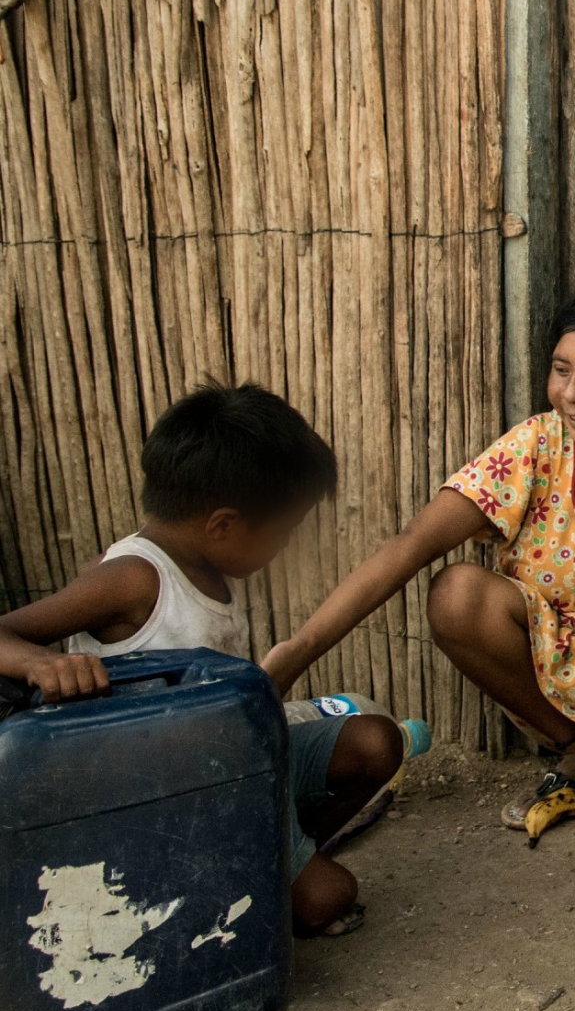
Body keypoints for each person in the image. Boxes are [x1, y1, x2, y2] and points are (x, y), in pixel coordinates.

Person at [264, 286, 575, 828]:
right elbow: (413, 545)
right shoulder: (539, 445)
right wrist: (298, 651)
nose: (571, 393)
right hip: (562, 688)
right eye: (561, 369)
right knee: (458, 593)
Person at [0, 384, 398, 937]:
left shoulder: (210, 567)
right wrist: (39, 665)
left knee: (375, 742)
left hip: (235, 764)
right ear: (222, 525)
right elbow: (5, 633)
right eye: (281, 534)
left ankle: (265, 861)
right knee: (332, 897)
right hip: (170, 795)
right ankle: (252, 874)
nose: (283, 548)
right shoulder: (132, 578)